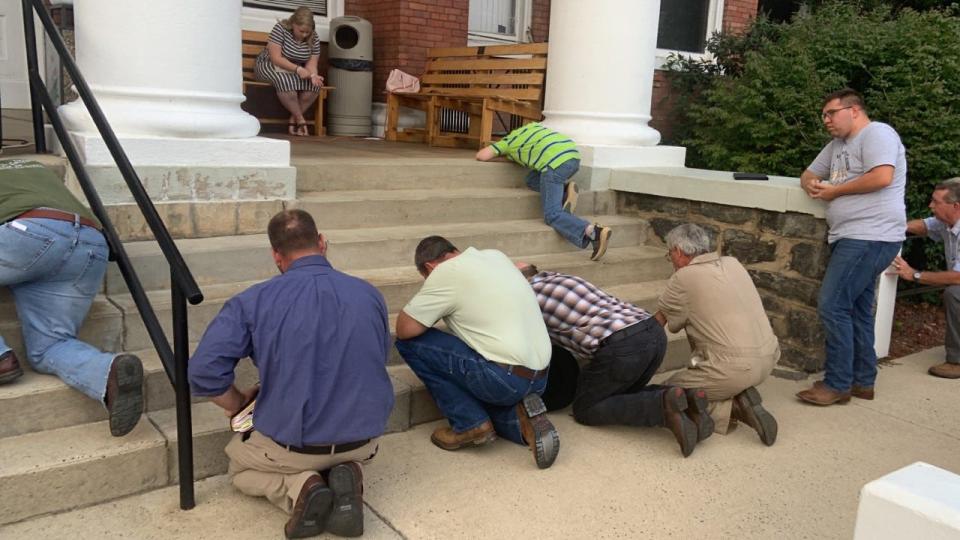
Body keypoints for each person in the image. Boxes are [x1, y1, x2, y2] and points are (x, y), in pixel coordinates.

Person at [189, 209, 394, 539]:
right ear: (323, 242)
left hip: (293, 449)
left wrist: (239, 400)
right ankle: (348, 471)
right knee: (340, 445)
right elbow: (375, 358)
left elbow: (202, 372)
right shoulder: (369, 294)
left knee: (238, 469)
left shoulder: (253, 301)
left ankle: (300, 488)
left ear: (276, 255)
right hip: (364, 441)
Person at [0, 159, 143, 437]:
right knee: (49, 346)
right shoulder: (34, 166)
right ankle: (107, 371)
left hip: (27, 236)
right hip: (90, 244)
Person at [394, 236, 560, 469]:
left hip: (504, 379)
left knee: (409, 343)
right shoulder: (496, 256)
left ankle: (468, 423)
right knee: (481, 373)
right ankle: (521, 422)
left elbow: (404, 329)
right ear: (455, 251)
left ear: (429, 267)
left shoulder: (444, 273)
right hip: (541, 378)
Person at [518, 263, 709, 457]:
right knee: (622, 393)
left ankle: (662, 406)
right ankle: (687, 399)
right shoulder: (560, 278)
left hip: (624, 346)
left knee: (586, 408)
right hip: (654, 333)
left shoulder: (527, 298)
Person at [796, 88, 906, 406]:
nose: (826, 120)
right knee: (856, 310)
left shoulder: (877, 133)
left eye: (831, 113)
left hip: (870, 235)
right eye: (824, 116)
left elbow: (883, 176)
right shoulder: (837, 145)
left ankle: (837, 383)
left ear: (854, 110)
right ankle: (862, 381)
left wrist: (835, 191)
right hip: (855, 235)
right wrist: (812, 184)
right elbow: (808, 174)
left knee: (832, 305)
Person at [654, 224, 780, 446]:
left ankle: (734, 407)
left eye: (669, 254)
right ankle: (739, 397)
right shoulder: (733, 263)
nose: (671, 260)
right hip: (770, 357)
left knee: (664, 394)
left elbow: (656, 325)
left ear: (679, 251)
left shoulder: (684, 277)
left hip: (733, 369)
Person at [475, 122, 612, 261]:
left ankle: (592, 232)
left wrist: (502, 152)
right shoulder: (533, 126)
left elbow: (482, 155)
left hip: (554, 165)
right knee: (531, 180)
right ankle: (564, 191)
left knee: (552, 215)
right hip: (573, 156)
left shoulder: (508, 142)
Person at [890, 178, 960, 380]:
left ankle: (956, 361)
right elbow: (923, 226)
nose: (930, 206)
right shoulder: (947, 223)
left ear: (956, 206)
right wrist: (895, 227)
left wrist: (914, 275)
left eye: (936, 202)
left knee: (955, 294)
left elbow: (957, 278)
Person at [255, 6, 326, 136]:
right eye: (301, 31)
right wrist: (298, 69)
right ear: (293, 24)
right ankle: (300, 120)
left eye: (307, 32)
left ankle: (294, 118)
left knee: (315, 85)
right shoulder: (280, 29)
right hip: (268, 65)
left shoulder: (314, 37)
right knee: (284, 80)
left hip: (293, 70)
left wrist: (313, 75)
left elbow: (311, 64)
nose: (304, 35)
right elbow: (276, 58)